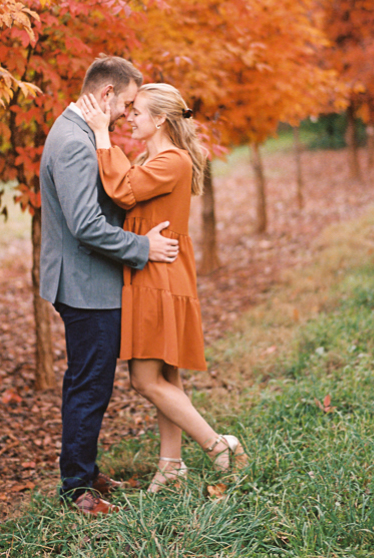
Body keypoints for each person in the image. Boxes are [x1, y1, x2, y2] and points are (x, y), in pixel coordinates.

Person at [78, 82, 247, 493]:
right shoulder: (149, 156)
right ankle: (171, 466)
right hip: (153, 268)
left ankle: (219, 445)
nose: (128, 117)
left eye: (137, 112)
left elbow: (124, 190)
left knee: (145, 379)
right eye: (129, 111)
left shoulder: (172, 160)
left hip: (159, 275)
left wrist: (101, 134)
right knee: (168, 378)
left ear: (161, 120)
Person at [40, 56, 181, 516]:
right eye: (124, 103)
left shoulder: (76, 131)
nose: (125, 113)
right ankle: (77, 488)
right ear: (105, 96)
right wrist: (142, 248)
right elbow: (85, 224)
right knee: (89, 386)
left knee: (89, 382)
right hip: (85, 284)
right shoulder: (76, 142)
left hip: (88, 280)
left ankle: (83, 469)